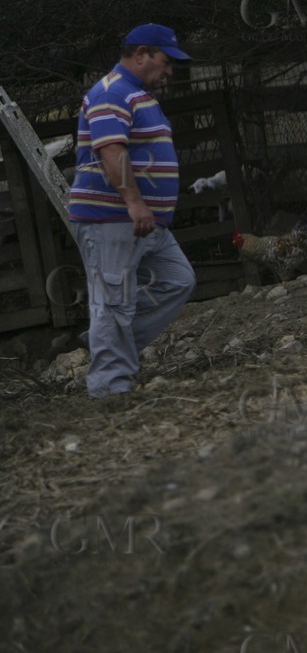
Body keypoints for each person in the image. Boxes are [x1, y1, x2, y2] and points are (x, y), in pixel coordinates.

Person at [68, 24, 197, 398]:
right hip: (114, 218)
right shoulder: (112, 92)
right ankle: (111, 389)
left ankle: (108, 340)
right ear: (141, 53)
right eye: (165, 60)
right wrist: (135, 202)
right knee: (112, 301)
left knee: (178, 280)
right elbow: (112, 151)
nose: (169, 69)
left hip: (142, 222)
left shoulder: (138, 95)